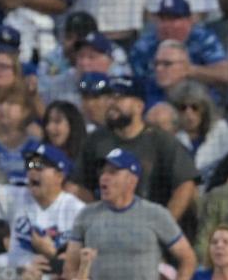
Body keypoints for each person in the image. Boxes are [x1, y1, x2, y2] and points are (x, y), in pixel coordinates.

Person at [64, 148, 197, 280]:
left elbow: (188, 259)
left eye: (113, 172)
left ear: (132, 180)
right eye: (103, 172)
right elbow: (69, 267)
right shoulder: (86, 215)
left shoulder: (155, 215)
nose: (104, 178)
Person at [72, 76, 199, 219]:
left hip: (149, 223)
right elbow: (76, 185)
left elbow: (186, 184)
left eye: (119, 97)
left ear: (139, 106)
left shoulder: (161, 141)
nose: (112, 103)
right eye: (110, 97)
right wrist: (100, 215)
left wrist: (165, 224)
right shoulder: (97, 140)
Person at [0, 126, 84, 268]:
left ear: (59, 176)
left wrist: (50, 253)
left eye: (40, 166)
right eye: (30, 165)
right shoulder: (17, 196)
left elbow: (78, 266)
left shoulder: (76, 210)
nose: (32, 171)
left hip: (54, 279)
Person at [129, 0, 228, 86]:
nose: (167, 25)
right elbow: (135, 82)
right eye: (163, 19)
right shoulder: (144, 45)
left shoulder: (203, 39)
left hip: (198, 96)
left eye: (173, 19)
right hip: (156, 98)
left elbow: (225, 75)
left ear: (189, 21)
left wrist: (189, 70)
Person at [167, 80, 228, 184]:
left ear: (204, 108)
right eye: (183, 108)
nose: (189, 114)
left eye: (195, 107)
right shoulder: (172, 136)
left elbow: (227, 164)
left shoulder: (220, 128)